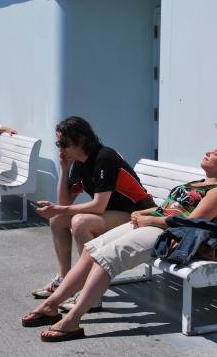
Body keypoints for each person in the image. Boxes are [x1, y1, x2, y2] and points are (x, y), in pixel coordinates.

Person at [21, 143, 217, 342]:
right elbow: (167, 207)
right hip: (151, 223)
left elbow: (191, 221)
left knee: (108, 258)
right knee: (91, 251)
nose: (208, 152)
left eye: (216, 153)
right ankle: (51, 305)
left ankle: (73, 320)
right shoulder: (196, 183)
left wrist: (152, 219)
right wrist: (144, 213)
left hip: (167, 234)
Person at [31, 116, 155, 304]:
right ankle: (65, 281)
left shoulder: (104, 157)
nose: (61, 149)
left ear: (80, 139)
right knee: (57, 220)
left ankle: (90, 293)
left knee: (80, 222)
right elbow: (64, 202)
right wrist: (64, 169)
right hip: (113, 213)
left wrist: (59, 209)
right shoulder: (78, 162)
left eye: (64, 143)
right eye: (58, 144)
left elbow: (99, 206)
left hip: (137, 214)